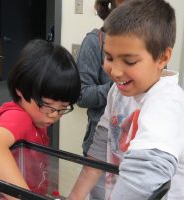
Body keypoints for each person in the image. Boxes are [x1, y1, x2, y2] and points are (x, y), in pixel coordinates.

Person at [69, 0, 184, 199]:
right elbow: (99, 151)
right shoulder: (117, 92)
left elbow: (144, 177)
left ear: (162, 58)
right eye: (109, 58)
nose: (116, 72)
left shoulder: (167, 102)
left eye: (129, 61)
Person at [0, 39, 81, 200]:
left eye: (63, 108)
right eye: (47, 105)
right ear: (21, 91)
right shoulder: (19, 117)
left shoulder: (38, 119)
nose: (54, 115)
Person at [76, 0, 124, 199]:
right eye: (109, 58)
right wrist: (117, 87)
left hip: (131, 154)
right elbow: (81, 95)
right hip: (100, 145)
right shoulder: (94, 41)